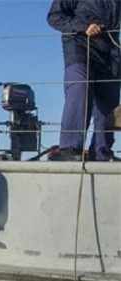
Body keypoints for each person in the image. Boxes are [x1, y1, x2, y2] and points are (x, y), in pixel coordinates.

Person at [47, 0, 120, 161]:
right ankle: (70, 148)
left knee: (109, 100)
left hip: (110, 51)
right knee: (80, 86)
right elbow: (54, 16)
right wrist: (84, 25)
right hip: (80, 45)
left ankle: (102, 152)